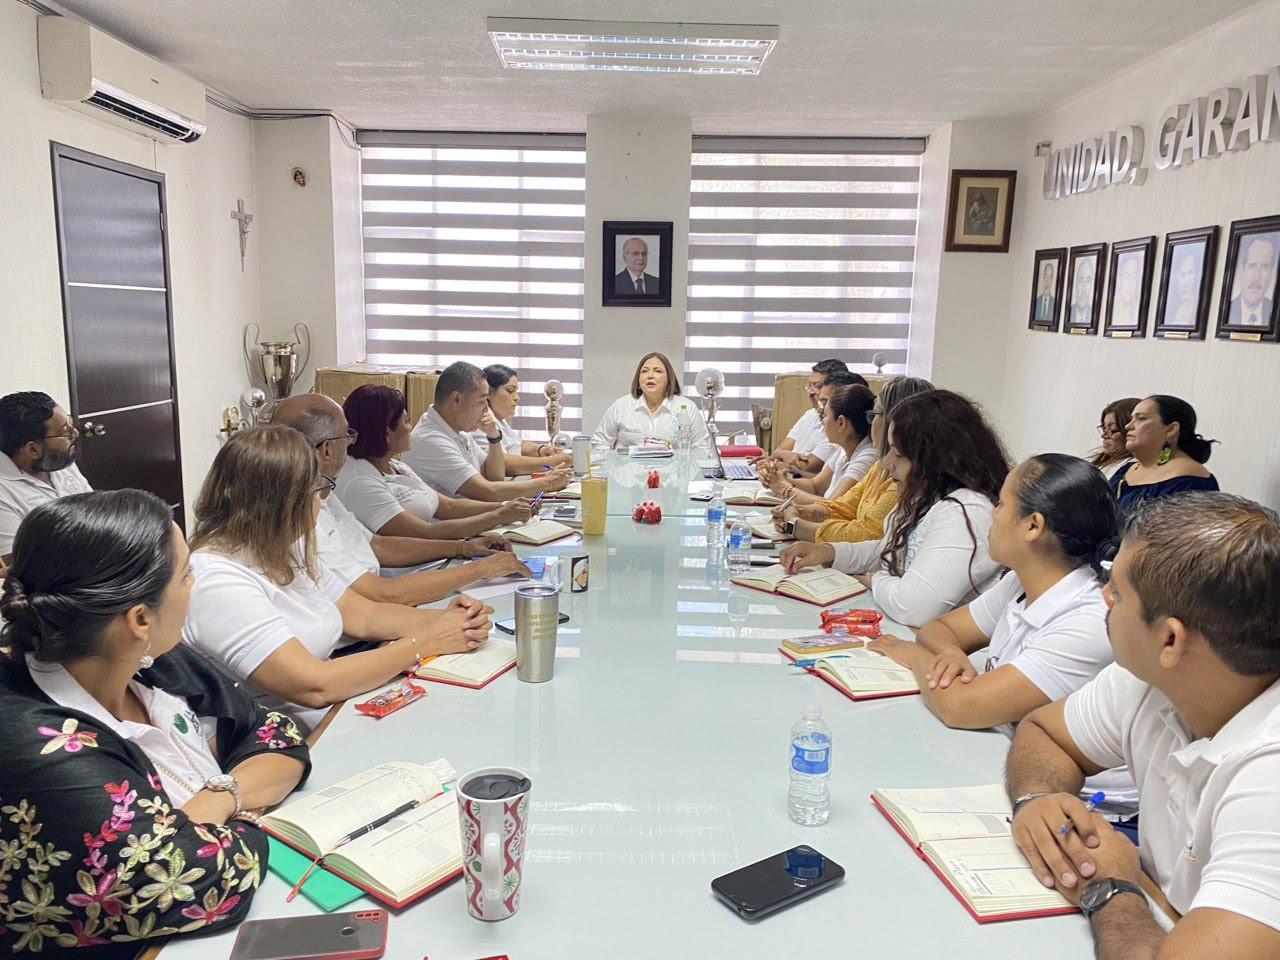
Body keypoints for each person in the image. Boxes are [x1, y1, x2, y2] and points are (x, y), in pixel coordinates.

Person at [0, 489, 311, 956]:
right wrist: (250, 806)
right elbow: (212, 879)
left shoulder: (142, 657)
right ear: (140, 618)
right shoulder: (42, 748)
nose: (193, 584)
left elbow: (275, 735)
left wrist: (219, 798)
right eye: (185, 574)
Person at [1003, 493, 1280, 959]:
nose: (1103, 597)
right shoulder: (1151, 679)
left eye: (1117, 590)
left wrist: (1111, 887)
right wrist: (1039, 798)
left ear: (1170, 639)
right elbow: (1045, 733)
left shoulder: (1269, 779)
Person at [183, 426, 493, 733]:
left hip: (332, 712)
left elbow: (364, 616)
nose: (320, 503)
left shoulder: (284, 546)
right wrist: (425, 642)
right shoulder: (216, 581)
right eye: (316, 491)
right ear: (282, 504)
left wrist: (453, 620)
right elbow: (314, 686)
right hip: (283, 737)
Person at [778, 390, 1008, 627]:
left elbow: (912, 607)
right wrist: (831, 552)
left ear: (935, 460)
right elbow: (889, 549)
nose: (887, 464)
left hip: (926, 638)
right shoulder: (924, 495)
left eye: (898, 453)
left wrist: (875, 579)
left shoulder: (965, 512)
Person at [273, 394, 530, 605]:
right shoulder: (313, 510)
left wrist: (465, 548)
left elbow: (376, 545)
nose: (350, 442)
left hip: (404, 592)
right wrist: (478, 566)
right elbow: (382, 594)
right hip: (391, 601)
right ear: (326, 449)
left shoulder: (324, 492)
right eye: (345, 435)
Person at [335, 384, 532, 543]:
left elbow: (448, 506)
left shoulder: (395, 466)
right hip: (417, 567)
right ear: (387, 433)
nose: (410, 428)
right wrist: (499, 515)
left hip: (442, 552)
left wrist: (506, 507)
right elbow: (425, 532)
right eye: (406, 421)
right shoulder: (360, 482)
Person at [773, 376, 933, 544]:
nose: (871, 423)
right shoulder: (880, 467)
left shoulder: (906, 478)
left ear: (895, 421)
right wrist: (798, 512)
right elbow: (844, 507)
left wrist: (796, 524)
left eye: (874, 415)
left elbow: (867, 533)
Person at [402, 362, 571, 500]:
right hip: (453, 527)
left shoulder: (459, 430)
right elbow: (488, 491)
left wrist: (494, 439)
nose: (485, 410)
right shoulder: (431, 439)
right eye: (482, 401)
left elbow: (495, 476)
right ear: (457, 400)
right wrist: (547, 483)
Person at [0, 391, 92, 557]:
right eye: (64, 432)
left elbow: (96, 511)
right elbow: (15, 562)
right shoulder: (3, 491)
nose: (75, 433)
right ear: (33, 449)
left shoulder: (58, 460)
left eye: (70, 423)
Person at [757, 379, 876, 505]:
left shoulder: (867, 457)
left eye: (826, 415)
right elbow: (815, 486)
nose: (823, 421)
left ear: (841, 423)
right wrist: (778, 479)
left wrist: (783, 488)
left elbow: (833, 507)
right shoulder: (843, 449)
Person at [1110, 395, 1218, 516]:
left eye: (1141, 418)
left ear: (1171, 429)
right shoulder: (1125, 471)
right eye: (1131, 419)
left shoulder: (1190, 480)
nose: (1128, 426)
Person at [591, 352, 710, 452]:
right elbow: (599, 442)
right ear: (638, 379)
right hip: (628, 471)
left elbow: (702, 447)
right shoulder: (621, 406)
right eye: (644, 371)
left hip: (673, 472)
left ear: (669, 379)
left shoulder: (687, 407)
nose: (650, 376)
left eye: (658, 371)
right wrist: (613, 467)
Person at [478, 365, 574, 476]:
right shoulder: (482, 422)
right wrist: (553, 462)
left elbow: (519, 444)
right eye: (510, 391)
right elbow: (502, 464)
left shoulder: (499, 419)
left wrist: (541, 450)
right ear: (488, 392)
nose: (516, 398)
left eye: (516, 392)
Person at [764, 358, 850, 474]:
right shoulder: (810, 414)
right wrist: (786, 457)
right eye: (810, 386)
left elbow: (807, 467)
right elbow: (778, 451)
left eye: (818, 386)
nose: (811, 392)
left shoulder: (837, 425)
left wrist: (780, 462)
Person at [1226, 234, 1277, 327]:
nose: (1257, 277)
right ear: (1242, 271)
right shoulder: (1227, 311)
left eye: (1264, 267)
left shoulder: (1275, 313)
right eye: (1252, 266)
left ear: (1271, 274)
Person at [1088, 397, 1139, 481]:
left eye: (1113, 430)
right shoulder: (1101, 462)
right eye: (1104, 428)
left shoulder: (1133, 468)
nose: (1104, 435)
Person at [1163, 245, 1202, 328]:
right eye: (1182, 274)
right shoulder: (1170, 309)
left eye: (1190, 273)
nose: (1185, 282)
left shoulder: (1198, 308)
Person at [1110, 253, 1143, 328]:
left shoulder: (1137, 307)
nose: (1130, 283)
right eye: (1127, 276)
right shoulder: (1113, 305)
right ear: (1119, 279)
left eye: (1134, 276)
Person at [1069, 255, 1096, 328]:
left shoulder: (1093, 312)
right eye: (1081, 281)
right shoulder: (1069, 312)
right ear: (1075, 284)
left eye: (1088, 281)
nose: (1084, 289)